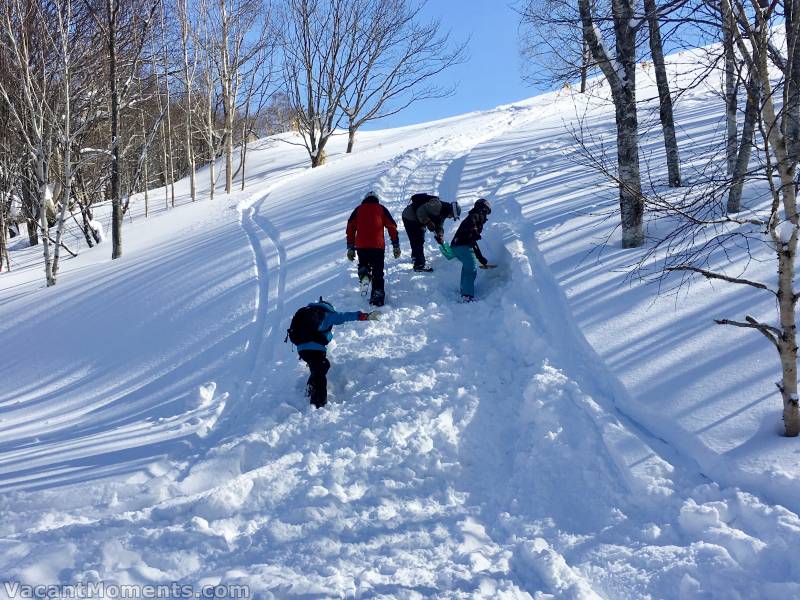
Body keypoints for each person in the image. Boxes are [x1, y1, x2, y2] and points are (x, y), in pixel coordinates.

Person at [287, 298, 380, 408]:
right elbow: (345, 316)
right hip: (315, 348)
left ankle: (311, 387)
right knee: (320, 370)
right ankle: (318, 404)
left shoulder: (305, 313)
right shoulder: (327, 314)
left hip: (301, 348)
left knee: (321, 366)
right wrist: (364, 316)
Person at [346, 190, 401, 306]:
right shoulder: (381, 209)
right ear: (376, 199)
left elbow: (350, 228)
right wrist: (396, 245)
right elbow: (391, 226)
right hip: (377, 246)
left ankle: (364, 274)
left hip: (361, 245)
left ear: (365, 199)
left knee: (364, 264)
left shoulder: (358, 209)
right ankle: (377, 295)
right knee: (377, 271)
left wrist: (350, 247)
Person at [450, 198, 495, 302]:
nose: (486, 215)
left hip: (459, 246)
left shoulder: (476, 218)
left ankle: (464, 290)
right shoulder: (475, 215)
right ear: (482, 209)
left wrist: (480, 258)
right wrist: (474, 230)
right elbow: (472, 221)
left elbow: (473, 243)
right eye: (486, 211)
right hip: (461, 245)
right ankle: (467, 295)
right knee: (471, 267)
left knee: (467, 267)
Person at [401, 193, 461, 272]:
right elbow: (420, 212)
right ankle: (419, 265)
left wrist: (440, 235)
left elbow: (439, 225)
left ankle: (415, 257)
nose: (450, 218)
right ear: (451, 211)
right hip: (410, 216)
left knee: (418, 238)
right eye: (452, 216)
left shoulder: (443, 213)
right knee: (417, 239)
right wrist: (428, 222)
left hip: (417, 219)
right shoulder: (437, 205)